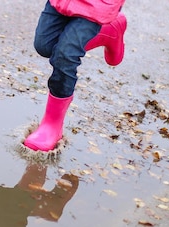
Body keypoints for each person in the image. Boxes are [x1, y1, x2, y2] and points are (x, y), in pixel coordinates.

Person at [23, 0, 127, 151]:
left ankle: (52, 125)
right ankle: (109, 31)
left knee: (65, 55)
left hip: (97, 6)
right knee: (44, 45)